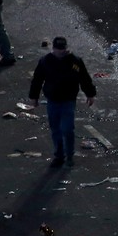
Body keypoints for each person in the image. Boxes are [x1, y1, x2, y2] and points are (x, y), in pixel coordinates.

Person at [28, 37, 96, 167]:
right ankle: (59, 155)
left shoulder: (75, 61)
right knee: (56, 129)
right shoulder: (45, 62)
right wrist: (34, 97)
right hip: (52, 100)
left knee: (67, 129)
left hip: (68, 100)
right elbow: (37, 80)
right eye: (59, 49)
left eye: (62, 49)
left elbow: (84, 78)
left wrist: (90, 94)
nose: (60, 52)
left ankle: (69, 155)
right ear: (54, 48)